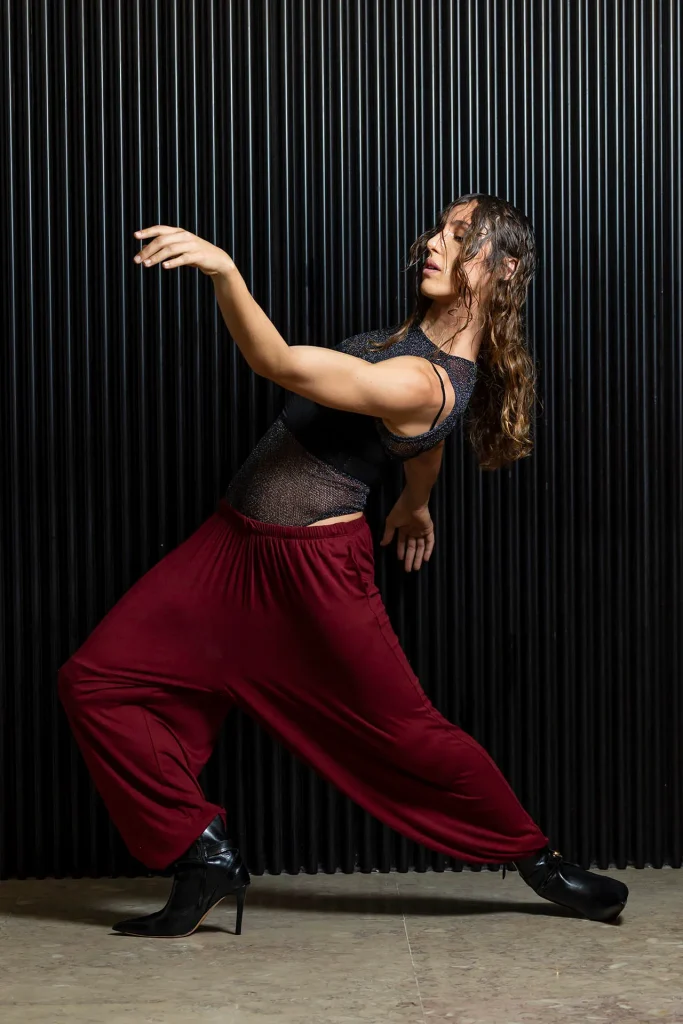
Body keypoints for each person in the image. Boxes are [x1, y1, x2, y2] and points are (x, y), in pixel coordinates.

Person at [58, 194, 628, 939]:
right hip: (229, 548)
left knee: (407, 734)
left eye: (461, 236)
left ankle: (539, 860)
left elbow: (277, 362)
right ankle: (202, 854)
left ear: (505, 268)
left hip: (311, 576)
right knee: (96, 682)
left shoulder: (429, 380)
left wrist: (224, 269)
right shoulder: (408, 345)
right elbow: (424, 450)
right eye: (439, 228)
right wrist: (416, 506)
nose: (434, 242)